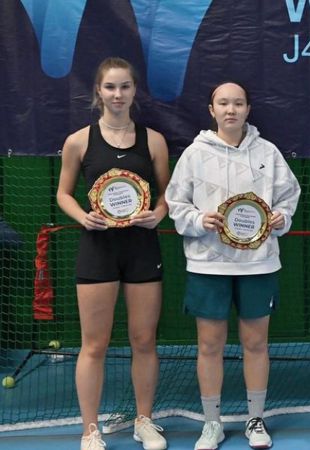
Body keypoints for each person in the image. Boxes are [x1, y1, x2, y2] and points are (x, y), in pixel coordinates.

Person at [166, 81, 301, 450]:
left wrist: (281, 218)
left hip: (258, 264)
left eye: (238, 103)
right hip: (208, 265)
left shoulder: (268, 152)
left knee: (255, 342)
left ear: (247, 109)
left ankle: (256, 419)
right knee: (209, 344)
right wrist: (199, 220)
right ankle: (212, 423)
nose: (231, 110)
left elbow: (288, 196)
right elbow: (176, 204)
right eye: (223, 103)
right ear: (212, 110)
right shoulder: (194, 154)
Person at [56, 57, 170, 450]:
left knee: (144, 339)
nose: (117, 94)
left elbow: (166, 195)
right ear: (98, 91)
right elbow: (63, 194)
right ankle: (90, 430)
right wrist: (83, 217)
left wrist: (157, 215)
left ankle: (144, 420)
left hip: (142, 249)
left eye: (124, 86)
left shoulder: (153, 140)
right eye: (110, 87)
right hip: (97, 250)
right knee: (94, 344)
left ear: (134, 91)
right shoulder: (78, 141)